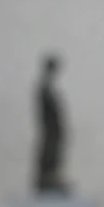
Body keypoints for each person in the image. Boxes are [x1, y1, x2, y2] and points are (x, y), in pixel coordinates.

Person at [36, 54, 69, 193]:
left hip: (54, 128)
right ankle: (47, 178)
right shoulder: (44, 86)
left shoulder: (47, 85)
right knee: (49, 152)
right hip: (50, 128)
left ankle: (50, 177)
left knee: (54, 152)